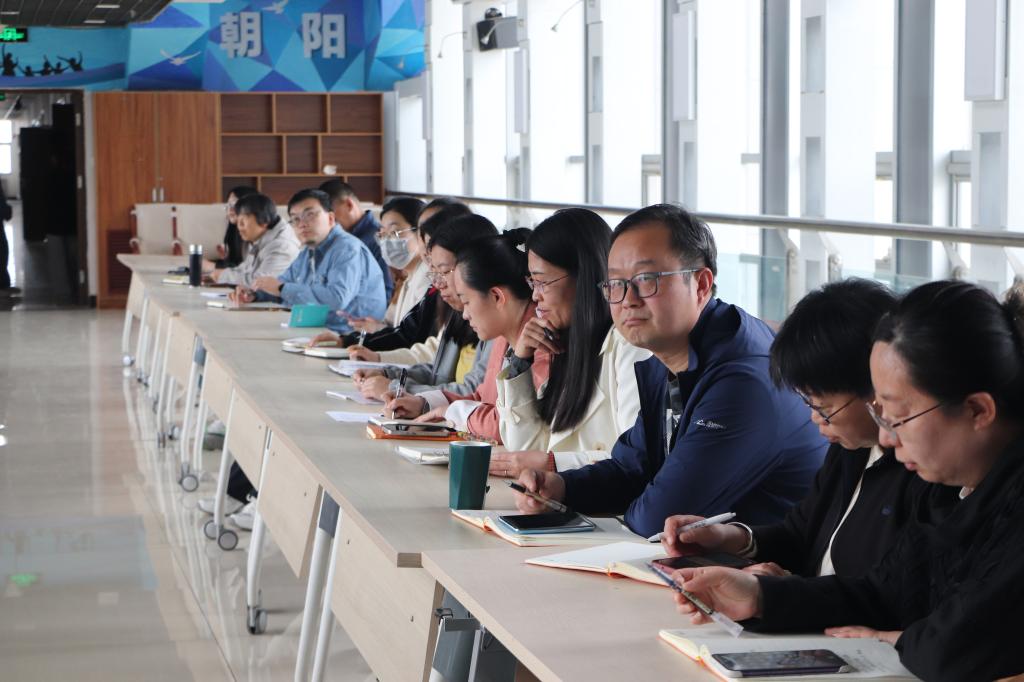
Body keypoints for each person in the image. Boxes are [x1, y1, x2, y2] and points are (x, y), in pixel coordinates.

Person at [669, 280, 1024, 682]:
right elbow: (882, 593)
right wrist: (758, 596)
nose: (887, 438)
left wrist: (900, 638)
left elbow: (953, 648)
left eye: (897, 416)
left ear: (977, 410)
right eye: (879, 415)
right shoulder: (953, 491)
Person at [511, 204, 826, 537]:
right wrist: (561, 487)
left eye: (646, 280)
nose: (627, 299)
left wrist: (624, 498)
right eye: (616, 283)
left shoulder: (742, 380)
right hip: (706, 559)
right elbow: (633, 467)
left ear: (701, 284)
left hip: (770, 565)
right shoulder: (674, 355)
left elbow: (660, 517)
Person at [660, 278, 957, 578]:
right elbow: (800, 535)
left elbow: (885, 592)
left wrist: (782, 592)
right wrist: (728, 537)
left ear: (876, 385)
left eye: (824, 408)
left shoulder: (925, 467)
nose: (816, 418)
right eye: (809, 403)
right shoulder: (850, 447)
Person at [490, 208, 651, 478]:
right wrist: (520, 363)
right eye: (532, 282)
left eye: (542, 282)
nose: (535, 296)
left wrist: (554, 464)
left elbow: (635, 459)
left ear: (584, 278)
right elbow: (525, 449)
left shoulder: (629, 346)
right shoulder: (569, 344)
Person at [387, 229, 551, 445]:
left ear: (496, 296)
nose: (464, 314)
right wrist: (424, 403)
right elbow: (481, 398)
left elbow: (506, 424)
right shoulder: (504, 336)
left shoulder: (540, 342)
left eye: (466, 301)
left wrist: (452, 412)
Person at [351, 214, 498, 401]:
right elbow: (438, 373)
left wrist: (396, 388)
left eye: (444, 271)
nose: (437, 284)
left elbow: (474, 393)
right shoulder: (458, 313)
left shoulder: (495, 323)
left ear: (473, 266)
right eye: (434, 272)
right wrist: (389, 374)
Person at [307, 200, 473, 355]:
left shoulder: (431, 279)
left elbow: (417, 342)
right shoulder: (415, 277)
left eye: (394, 232)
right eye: (383, 234)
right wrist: (351, 340)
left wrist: (358, 343)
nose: (426, 240)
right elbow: (406, 331)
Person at [230, 189, 387, 334]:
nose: (302, 224)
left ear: (331, 218)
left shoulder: (347, 248)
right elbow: (282, 284)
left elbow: (337, 299)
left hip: (351, 338)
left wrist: (281, 288)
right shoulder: (308, 251)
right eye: (295, 219)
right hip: (317, 331)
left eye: (310, 215)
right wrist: (255, 294)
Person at [319, 179, 393, 300]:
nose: (330, 222)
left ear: (349, 204)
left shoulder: (378, 240)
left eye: (332, 216)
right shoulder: (338, 239)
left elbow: (385, 294)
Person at [205, 192, 300, 287]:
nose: (239, 227)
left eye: (242, 222)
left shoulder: (282, 247)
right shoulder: (262, 237)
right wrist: (218, 274)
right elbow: (245, 269)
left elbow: (261, 283)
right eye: (238, 222)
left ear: (263, 220)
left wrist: (222, 276)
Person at [205, 185, 256, 271]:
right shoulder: (235, 232)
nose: (230, 209)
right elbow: (238, 265)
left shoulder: (258, 236)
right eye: (228, 205)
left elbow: (250, 271)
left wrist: (212, 266)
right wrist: (227, 258)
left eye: (234, 204)